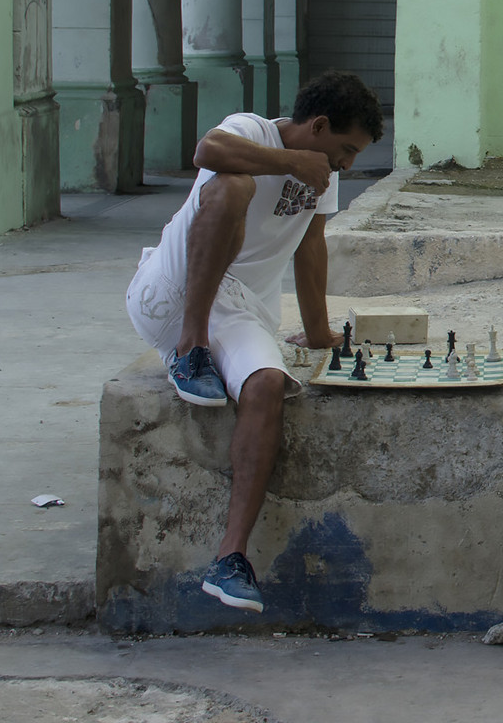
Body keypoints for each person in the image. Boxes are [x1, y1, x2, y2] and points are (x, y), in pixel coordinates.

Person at [126, 71, 382, 613]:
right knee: (232, 181)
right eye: (344, 150)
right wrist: (294, 163)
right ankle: (190, 349)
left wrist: (320, 335)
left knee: (267, 386)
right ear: (317, 126)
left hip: (240, 309)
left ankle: (230, 560)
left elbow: (311, 249)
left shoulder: (323, 175)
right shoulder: (251, 129)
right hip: (175, 288)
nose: (348, 165)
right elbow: (208, 150)